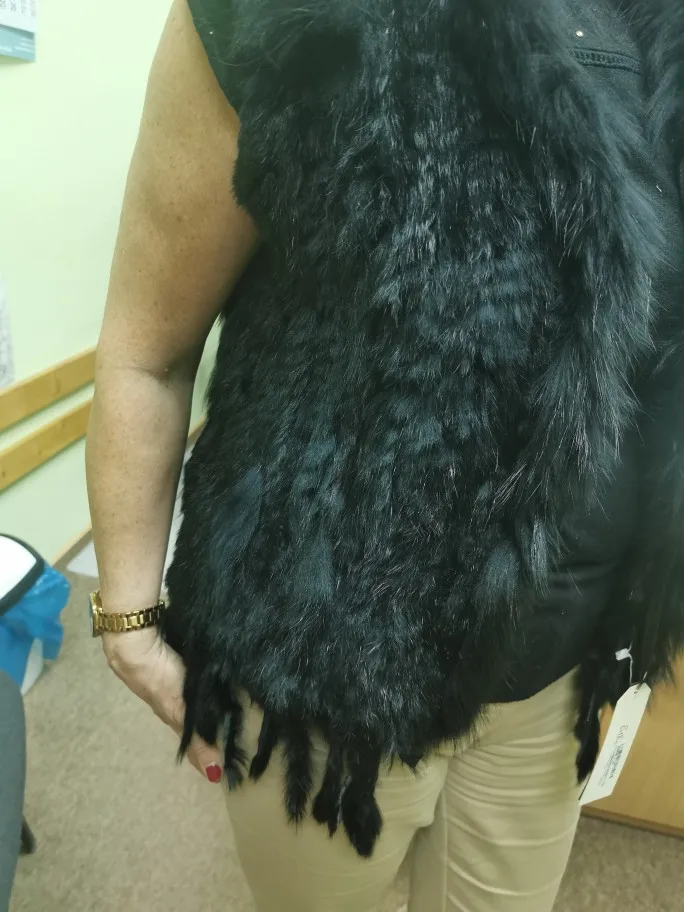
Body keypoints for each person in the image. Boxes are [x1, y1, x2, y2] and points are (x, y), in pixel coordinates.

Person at [86, 1, 684, 910]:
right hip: (316, 672)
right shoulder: (279, 15)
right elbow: (145, 351)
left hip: (560, 674)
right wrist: (127, 621)